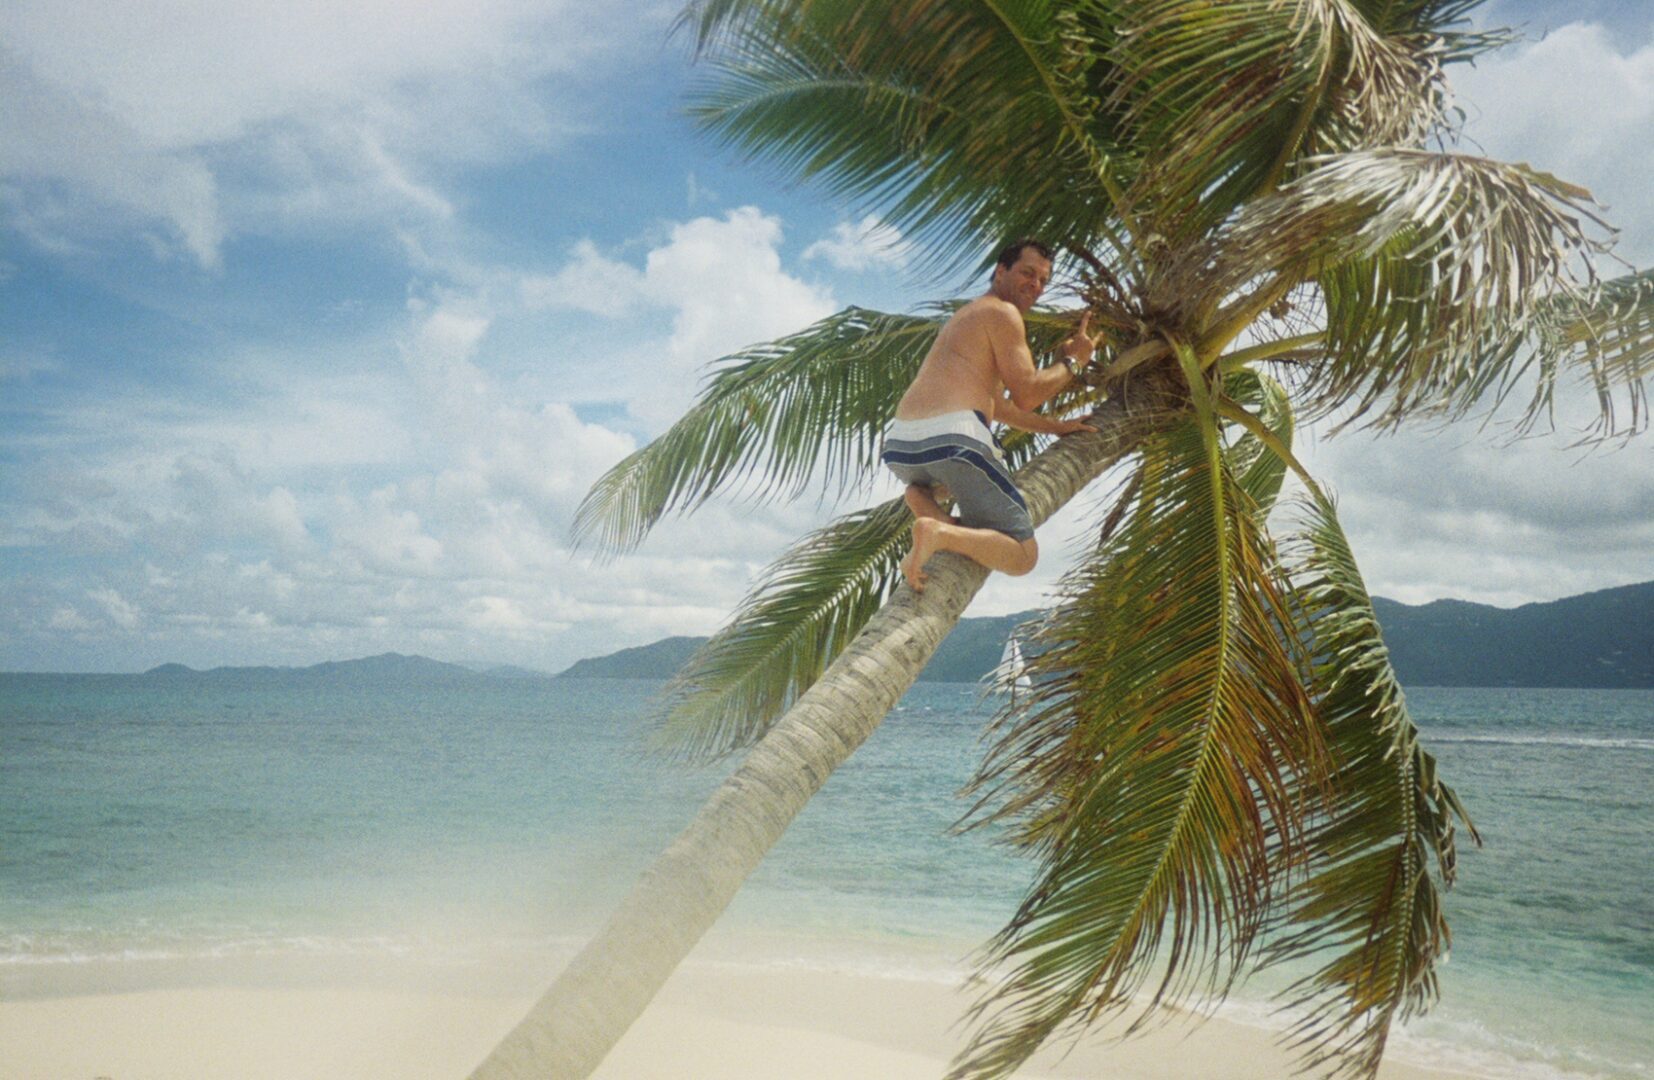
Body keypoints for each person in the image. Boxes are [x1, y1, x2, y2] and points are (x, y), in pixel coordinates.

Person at [881, 238, 1096, 592]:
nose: (1036, 285)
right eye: (1028, 273)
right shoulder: (1003, 313)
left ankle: (923, 505)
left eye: (1044, 280)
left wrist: (1056, 427)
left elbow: (1002, 406)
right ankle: (936, 531)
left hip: (903, 449)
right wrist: (1075, 361)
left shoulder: (967, 317)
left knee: (927, 488)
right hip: (952, 443)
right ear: (1001, 271)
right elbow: (1026, 394)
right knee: (1023, 556)